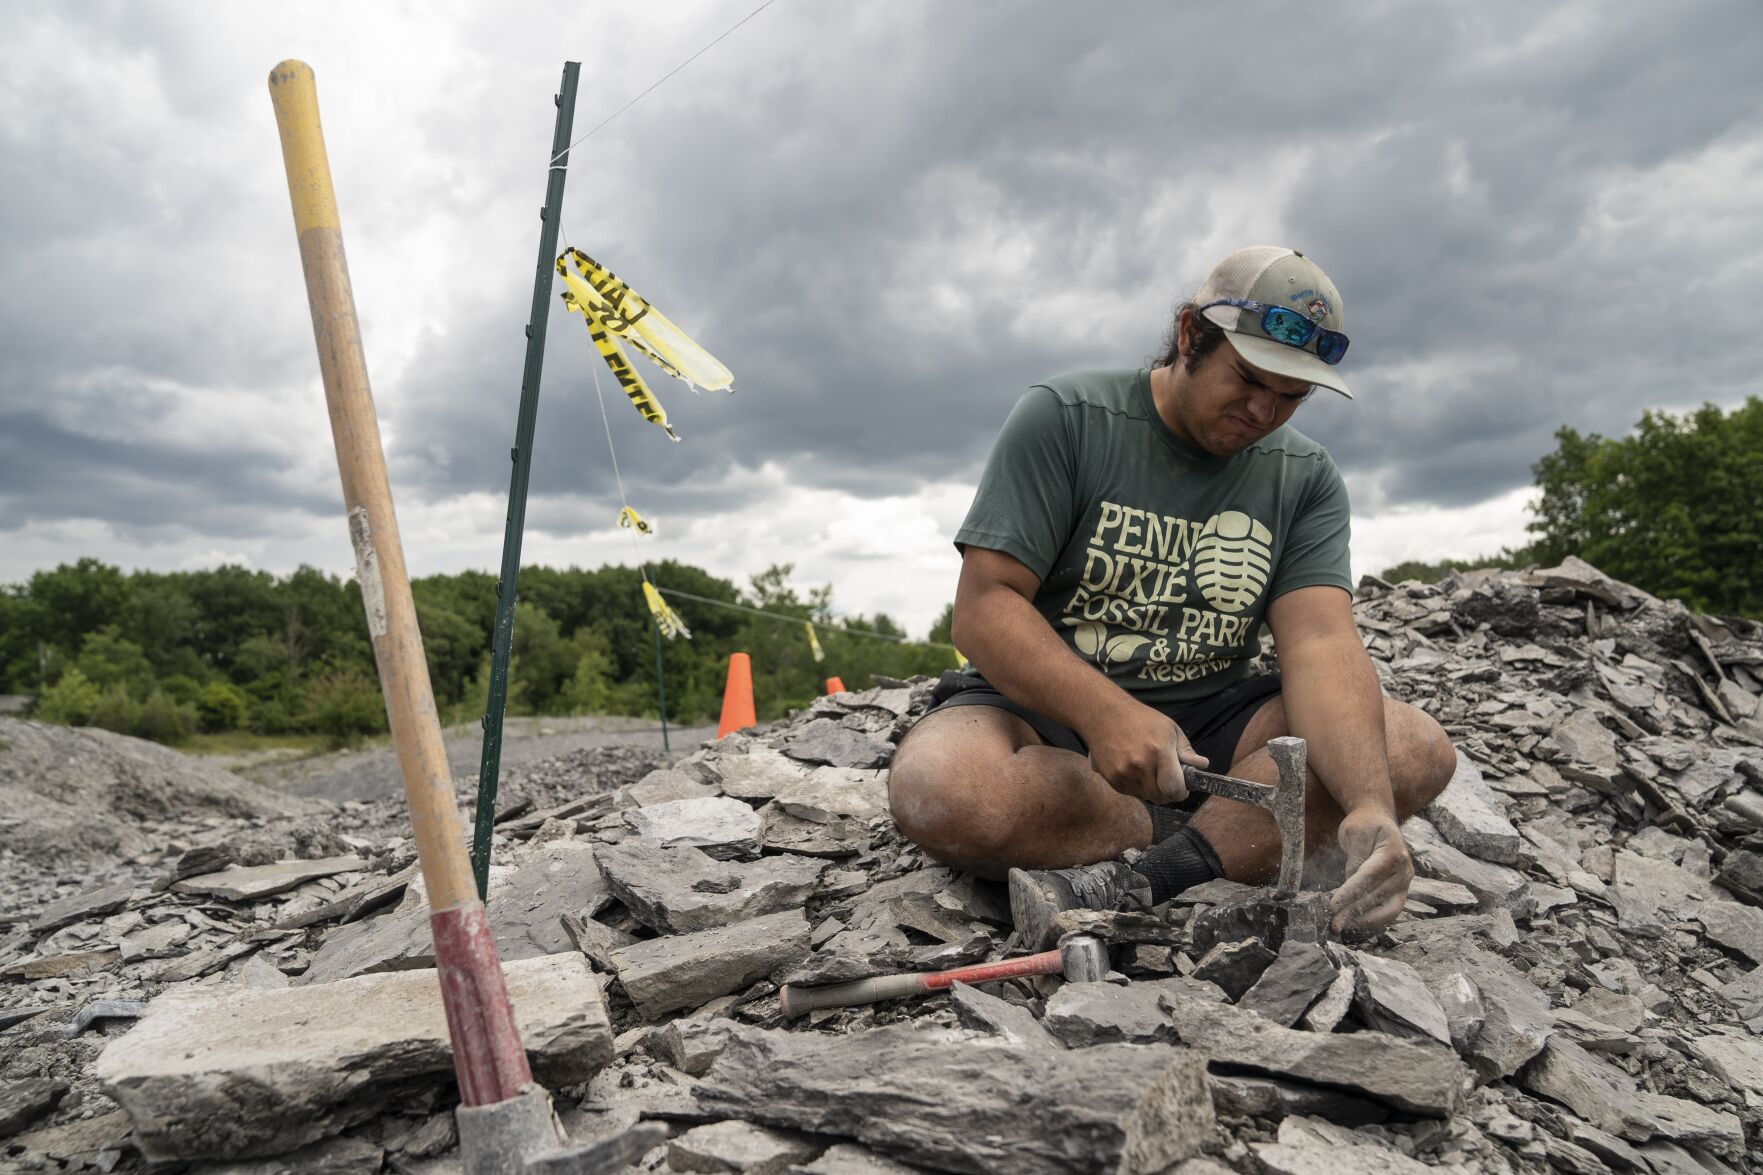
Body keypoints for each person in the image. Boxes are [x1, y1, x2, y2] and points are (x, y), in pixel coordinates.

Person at [887, 246, 1457, 949]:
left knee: (1413, 747)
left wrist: (1370, 804)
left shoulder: (1303, 477)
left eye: (1290, 396)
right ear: (1190, 334)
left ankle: (1156, 871)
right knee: (942, 788)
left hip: (1215, 722)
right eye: (1248, 379)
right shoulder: (1066, 418)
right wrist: (1107, 713)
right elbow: (985, 606)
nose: (1262, 410)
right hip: (1047, 709)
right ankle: (1227, 834)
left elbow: (1319, 642)